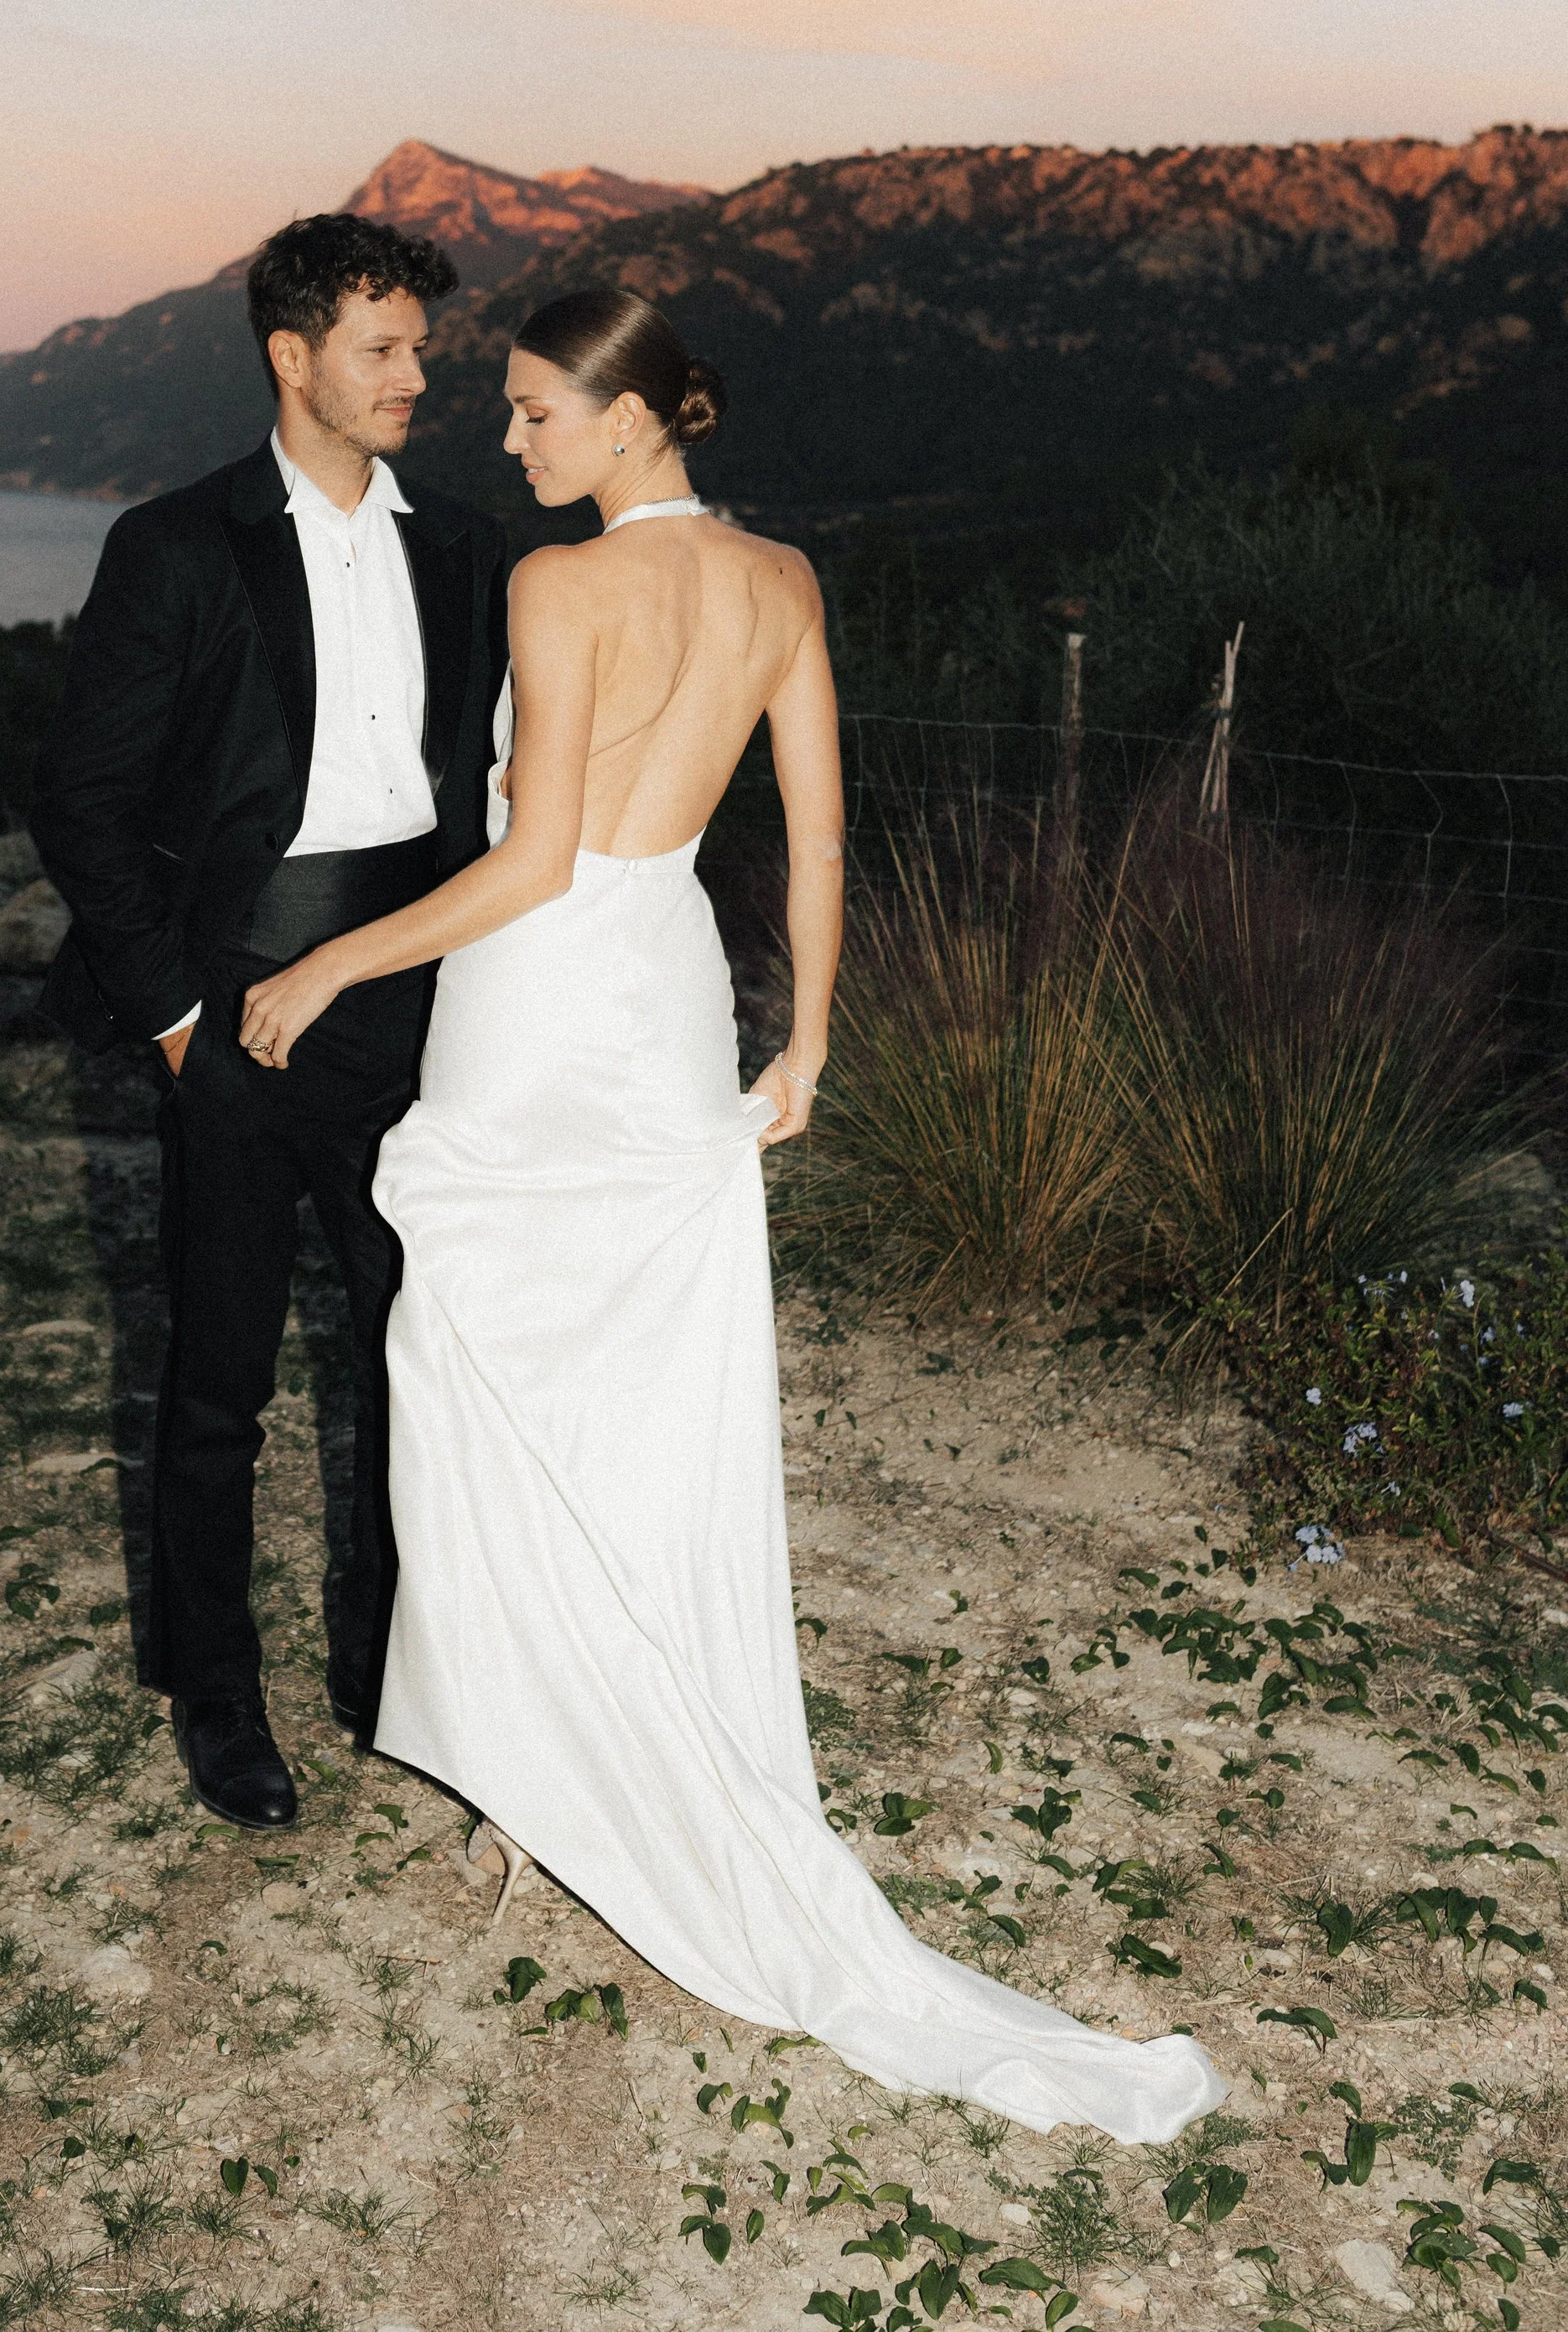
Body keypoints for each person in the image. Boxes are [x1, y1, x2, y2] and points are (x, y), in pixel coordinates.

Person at [233, 285, 1227, 2142]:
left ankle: (553, 1781)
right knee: (630, 1386)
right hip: (674, 985)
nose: (509, 441)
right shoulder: (779, 582)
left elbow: (528, 862)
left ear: (622, 425)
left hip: (540, 996)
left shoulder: (556, 586)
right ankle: (592, 1759)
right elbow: (823, 833)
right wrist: (812, 1045)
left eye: (534, 415)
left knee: (473, 1379)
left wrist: (322, 971)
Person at [29, 214, 507, 1831]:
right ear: (290, 358)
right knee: (220, 1374)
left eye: (420, 350)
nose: (413, 379)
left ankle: (391, 1670)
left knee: (410, 1356)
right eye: (382, 350)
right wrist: (173, 1012)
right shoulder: (176, 546)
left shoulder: (469, 550)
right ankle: (218, 1695)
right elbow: (83, 802)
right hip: (230, 1006)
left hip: (407, 1009)